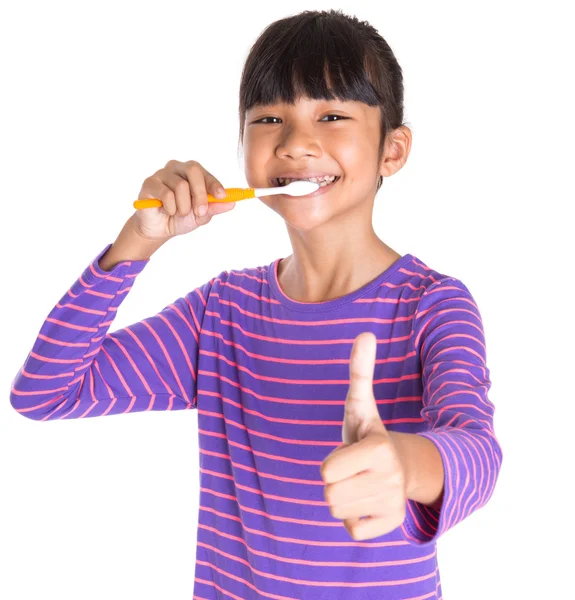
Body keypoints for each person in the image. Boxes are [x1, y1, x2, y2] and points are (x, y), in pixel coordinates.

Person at [9, 9, 502, 600]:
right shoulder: (222, 312)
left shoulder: (433, 304)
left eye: (333, 115)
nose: (295, 143)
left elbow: (478, 449)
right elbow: (45, 392)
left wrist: (404, 463)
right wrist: (138, 240)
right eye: (269, 118)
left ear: (392, 152)